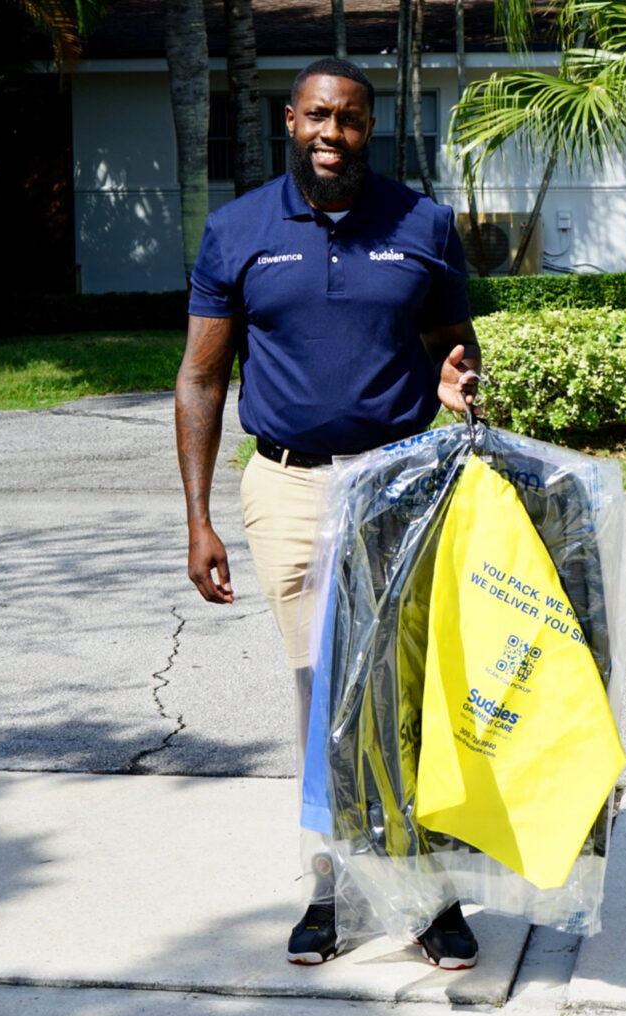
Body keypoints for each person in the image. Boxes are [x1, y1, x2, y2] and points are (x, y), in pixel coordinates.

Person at [174, 57, 481, 969]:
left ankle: (426, 892)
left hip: (399, 481)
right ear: (289, 119)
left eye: (349, 119)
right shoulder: (238, 230)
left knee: (399, 690)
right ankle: (334, 884)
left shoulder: (422, 223)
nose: (332, 134)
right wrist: (199, 518)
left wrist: (459, 376)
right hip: (289, 486)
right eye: (317, 116)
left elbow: (450, 341)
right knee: (322, 696)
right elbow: (201, 377)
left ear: (369, 125)